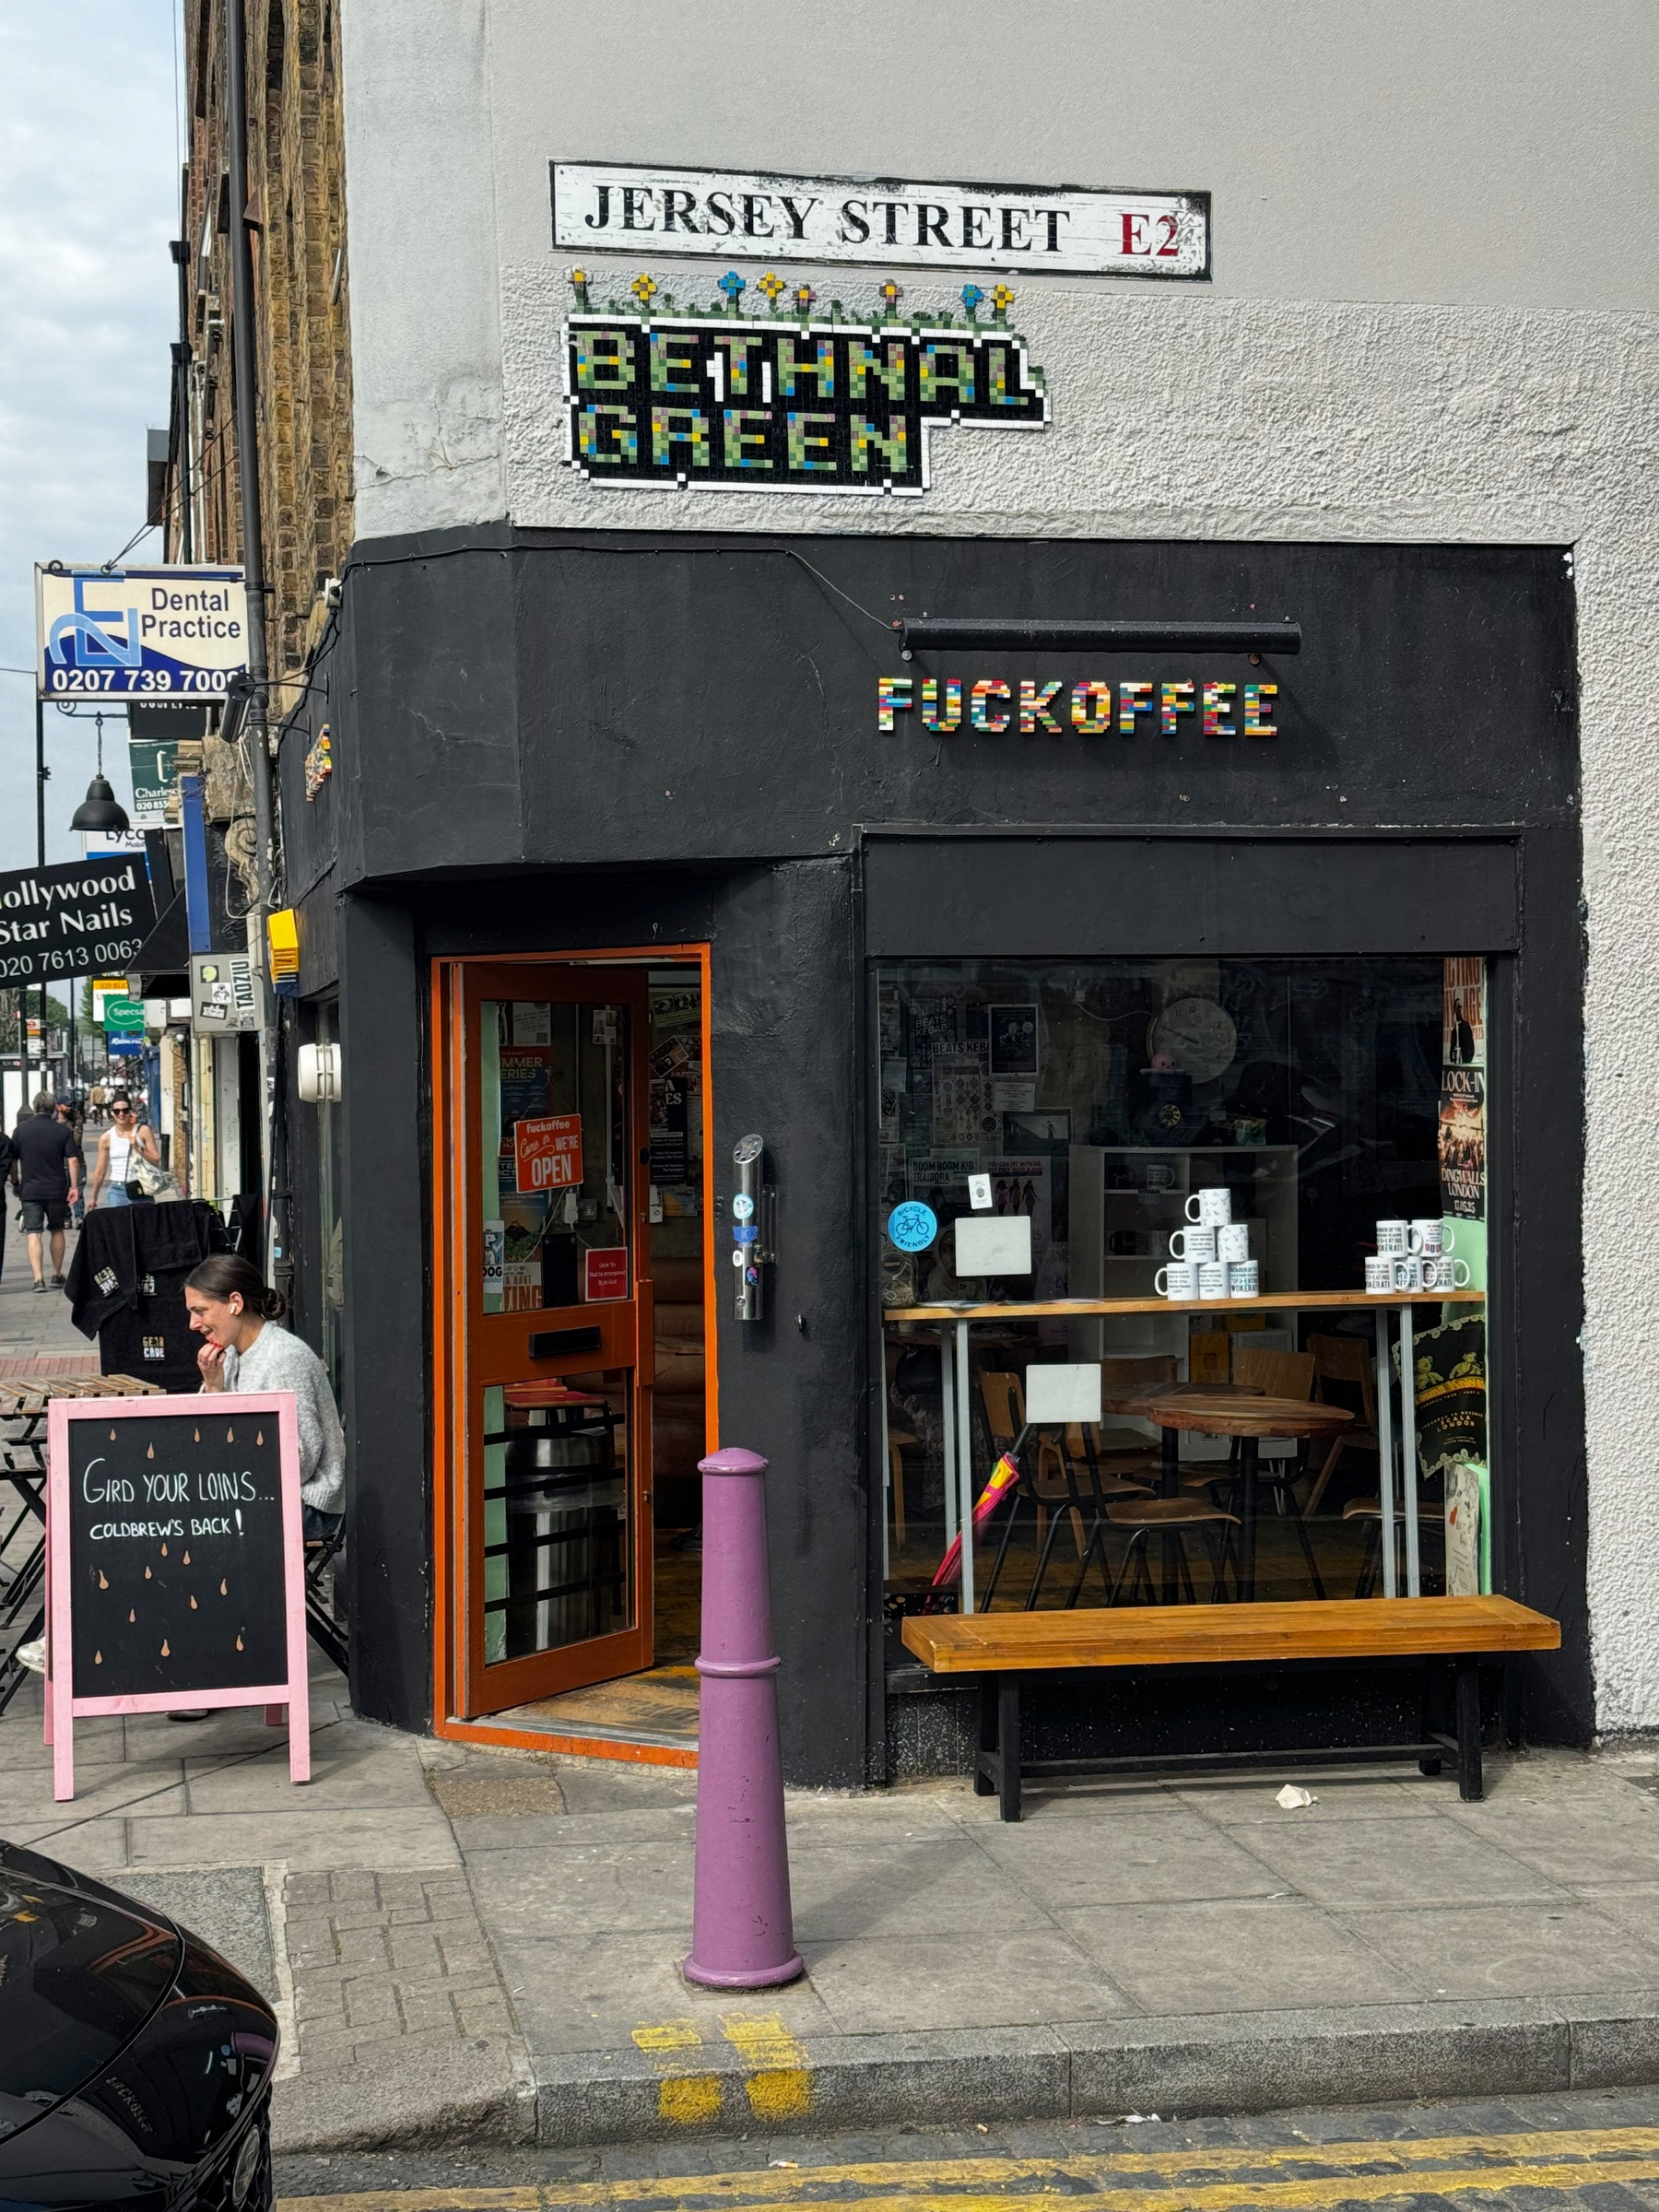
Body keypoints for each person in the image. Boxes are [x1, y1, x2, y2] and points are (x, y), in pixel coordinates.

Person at [184, 1253, 345, 1547]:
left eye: (200, 1311)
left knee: (192, 1521)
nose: (193, 1324)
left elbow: (300, 1462)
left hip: (306, 1501)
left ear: (235, 1302)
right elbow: (205, 1441)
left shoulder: (284, 1359)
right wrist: (214, 1388)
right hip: (251, 1490)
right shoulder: (229, 1354)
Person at [11, 1091, 80, 1291]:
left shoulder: (21, 1131)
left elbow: (14, 1162)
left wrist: (16, 1182)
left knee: (33, 1233)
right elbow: (73, 1160)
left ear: (34, 1107)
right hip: (56, 1189)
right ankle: (57, 1274)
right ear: (53, 1108)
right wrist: (74, 1186)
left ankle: (38, 1279)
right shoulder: (62, 1131)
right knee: (57, 1229)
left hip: (30, 1189)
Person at [85, 1091, 161, 1208]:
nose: (121, 1114)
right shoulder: (106, 1138)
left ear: (130, 1111)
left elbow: (156, 1160)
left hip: (140, 1187)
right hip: (117, 1190)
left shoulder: (143, 1131)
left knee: (144, 1225)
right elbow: (100, 1171)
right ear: (112, 1113)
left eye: (125, 1110)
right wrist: (93, 1197)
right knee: (119, 1226)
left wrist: (139, 1148)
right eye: (117, 1111)